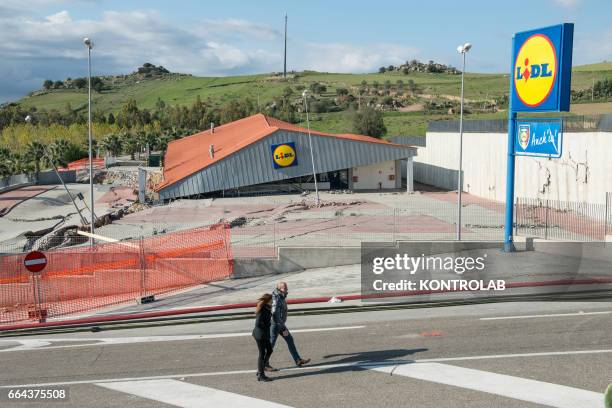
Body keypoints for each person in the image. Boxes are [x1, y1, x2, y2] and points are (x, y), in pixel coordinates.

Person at [267, 282, 310, 367]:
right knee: (271, 344)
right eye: (285, 288)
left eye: (286, 288)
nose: (287, 290)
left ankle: (297, 360)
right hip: (275, 325)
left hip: (280, 324)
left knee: (289, 340)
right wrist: (280, 324)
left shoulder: (280, 296)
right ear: (280, 289)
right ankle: (265, 363)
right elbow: (274, 312)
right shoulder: (277, 297)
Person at [252, 293, 274, 382]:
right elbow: (258, 323)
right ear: (268, 301)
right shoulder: (263, 310)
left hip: (264, 334)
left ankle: (260, 370)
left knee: (269, 350)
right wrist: (268, 324)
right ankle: (261, 375)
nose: (273, 301)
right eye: (272, 300)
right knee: (262, 354)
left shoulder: (267, 308)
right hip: (260, 335)